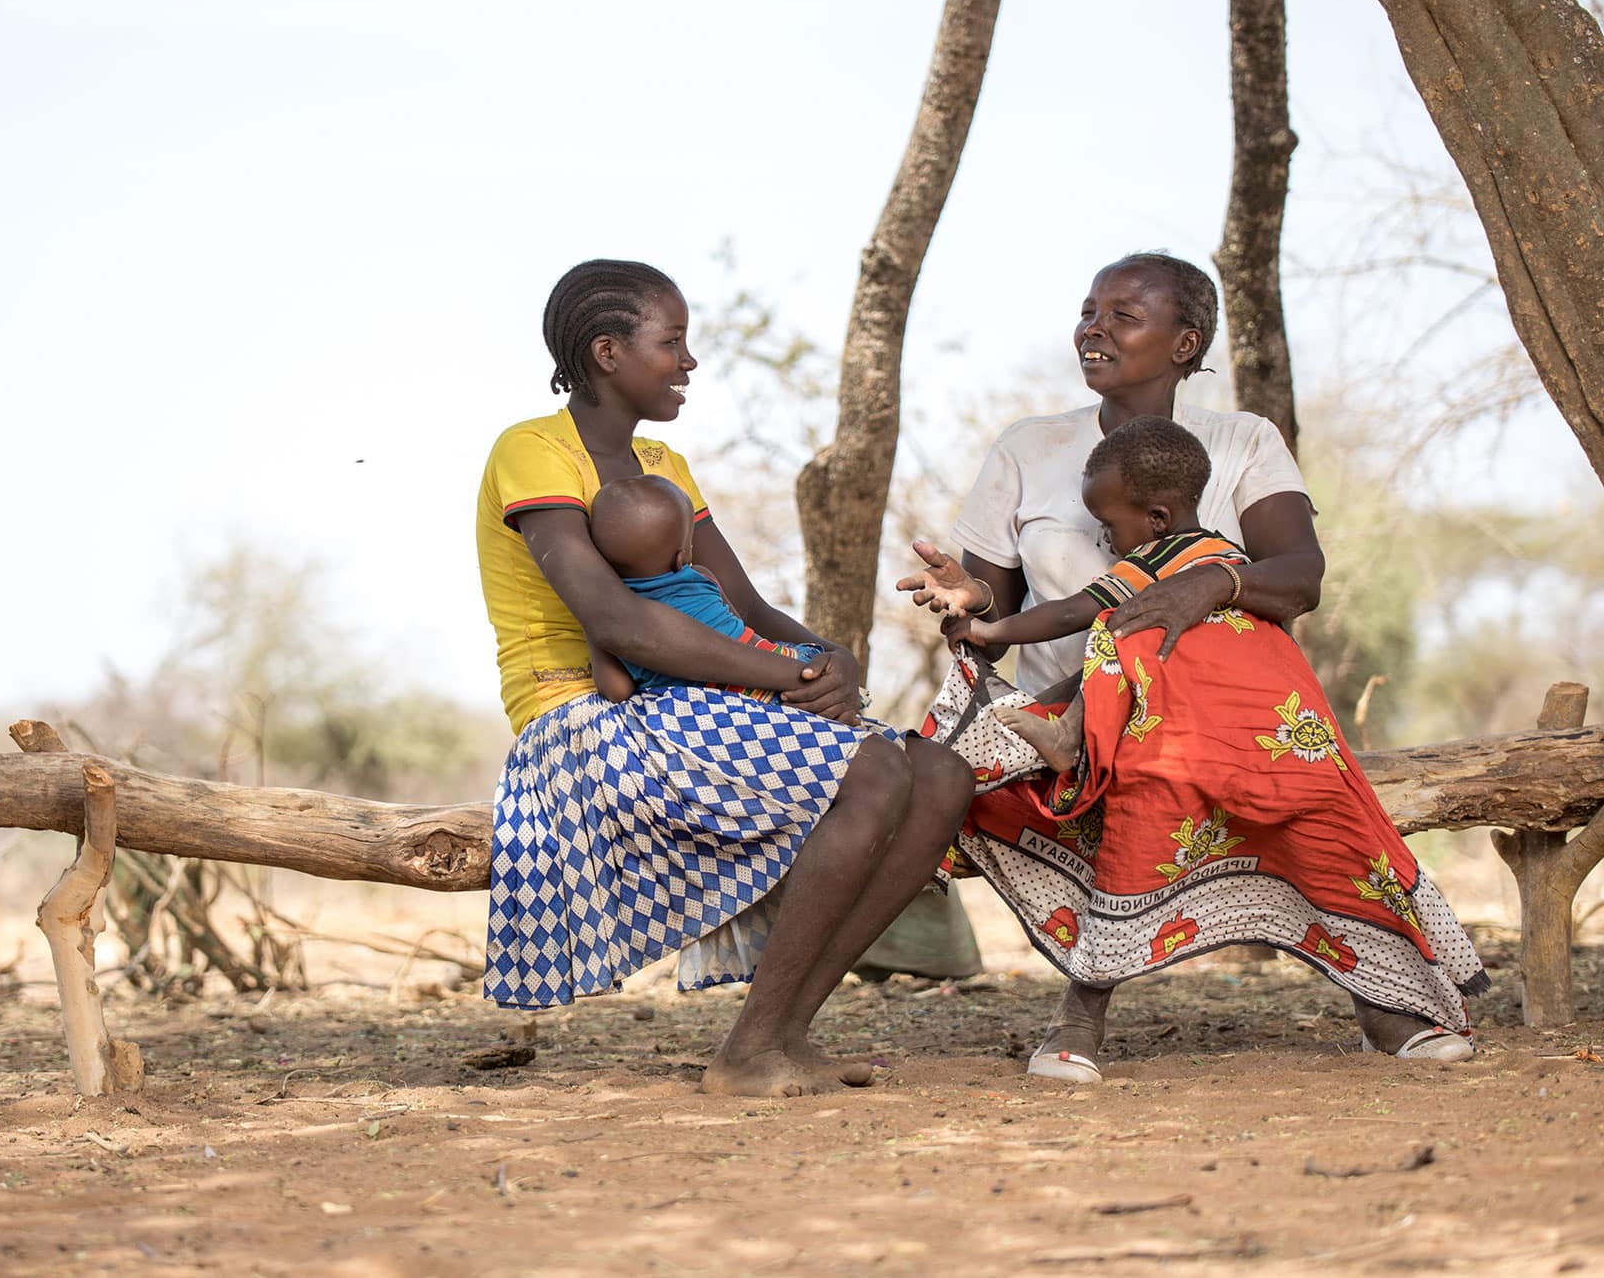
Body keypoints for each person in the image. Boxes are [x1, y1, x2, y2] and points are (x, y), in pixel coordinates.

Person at [898, 251, 1486, 1082]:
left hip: (1219, 716)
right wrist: (968, 601)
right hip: (1089, 715)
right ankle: (1081, 1008)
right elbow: (999, 606)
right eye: (1087, 310)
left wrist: (1205, 585)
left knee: (1301, 791)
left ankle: (1384, 996)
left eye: (1121, 315)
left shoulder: (1243, 440)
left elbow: (1300, 576)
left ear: (1185, 342)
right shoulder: (1031, 448)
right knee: (1093, 765)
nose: (1092, 328)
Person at [475, 258, 975, 1097]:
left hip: (693, 698)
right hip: (585, 712)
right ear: (606, 352)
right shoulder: (532, 452)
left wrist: (828, 655)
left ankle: (782, 1032)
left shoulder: (664, 464)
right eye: (672, 342)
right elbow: (619, 622)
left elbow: (739, 599)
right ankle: (749, 1050)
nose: (689, 361)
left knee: (941, 773)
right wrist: (785, 676)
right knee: (874, 764)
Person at [950, 415, 1251, 775]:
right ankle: (1022, 721)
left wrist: (987, 632)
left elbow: (1071, 612)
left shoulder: (1160, 559)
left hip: (1182, 692)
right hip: (1230, 698)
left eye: (1109, 524)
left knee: (1115, 631)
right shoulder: (1227, 552)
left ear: (1158, 518)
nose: (1105, 538)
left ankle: (1062, 736)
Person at [584, 473, 819, 702]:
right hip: (780, 670)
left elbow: (617, 690)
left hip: (713, 707)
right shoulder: (702, 577)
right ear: (681, 556)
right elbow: (741, 631)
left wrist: (591, 629)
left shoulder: (615, 617)